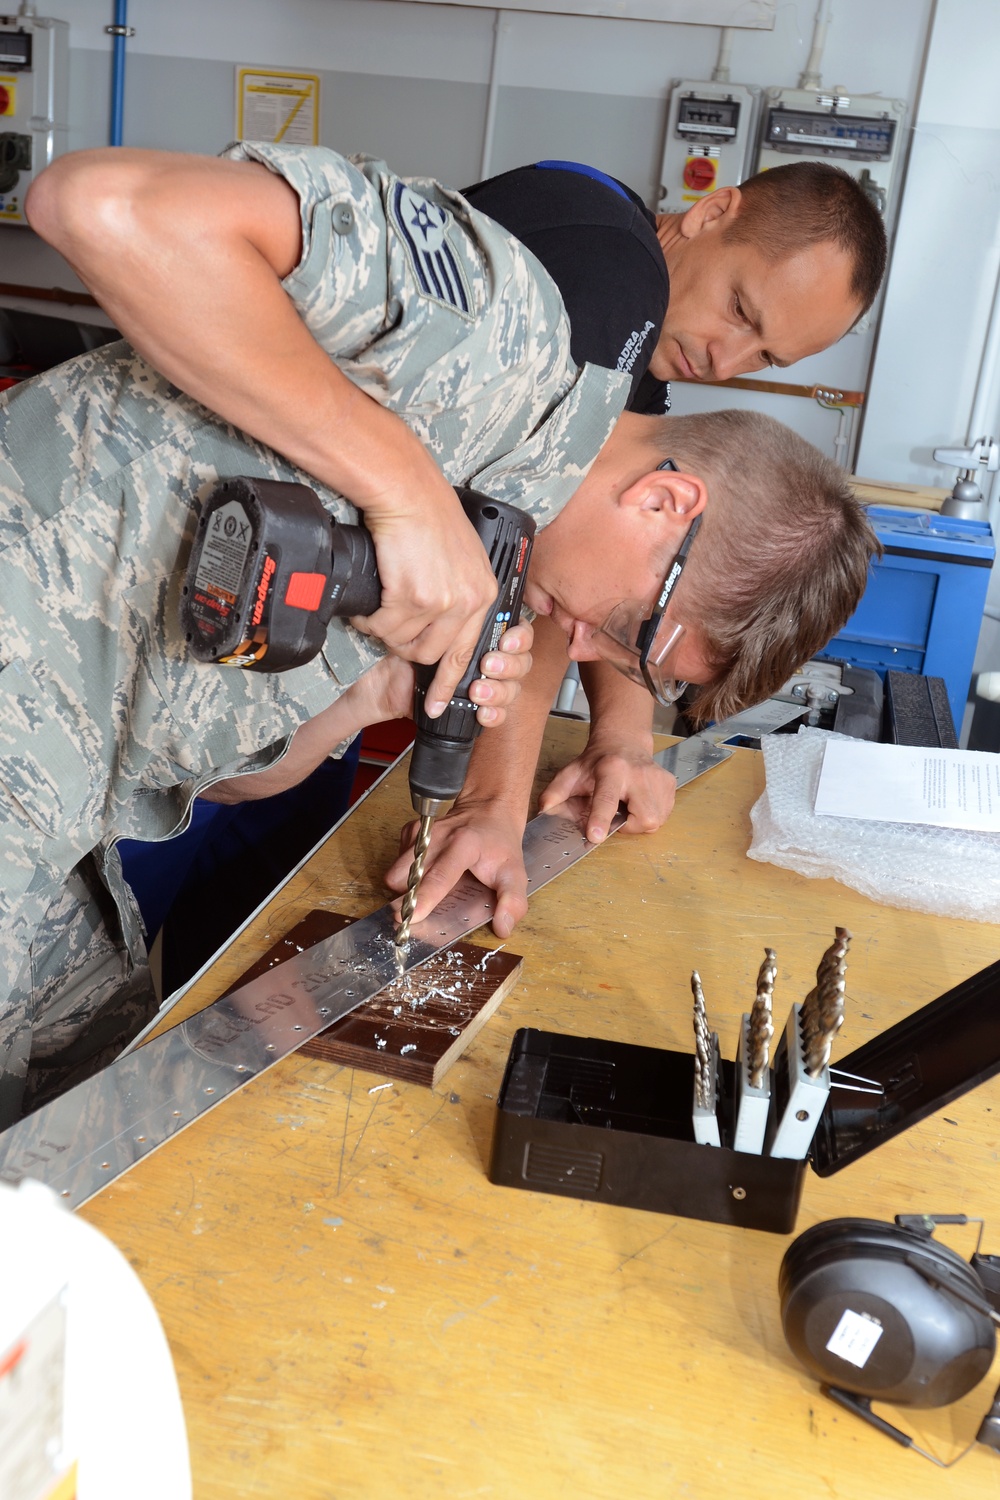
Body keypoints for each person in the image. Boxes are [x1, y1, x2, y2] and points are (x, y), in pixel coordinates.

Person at [0, 142, 875, 1126]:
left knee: (85, 1113)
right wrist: (401, 490)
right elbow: (103, 204)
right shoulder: (508, 330)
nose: (580, 651)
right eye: (629, 631)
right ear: (665, 501)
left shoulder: (485, 561)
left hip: (65, 814)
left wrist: (373, 699)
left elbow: (233, 777)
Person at [463, 158, 887, 413]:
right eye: (739, 310)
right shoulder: (615, 260)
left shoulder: (649, 357)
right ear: (711, 213)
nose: (722, 366)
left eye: (765, 357)